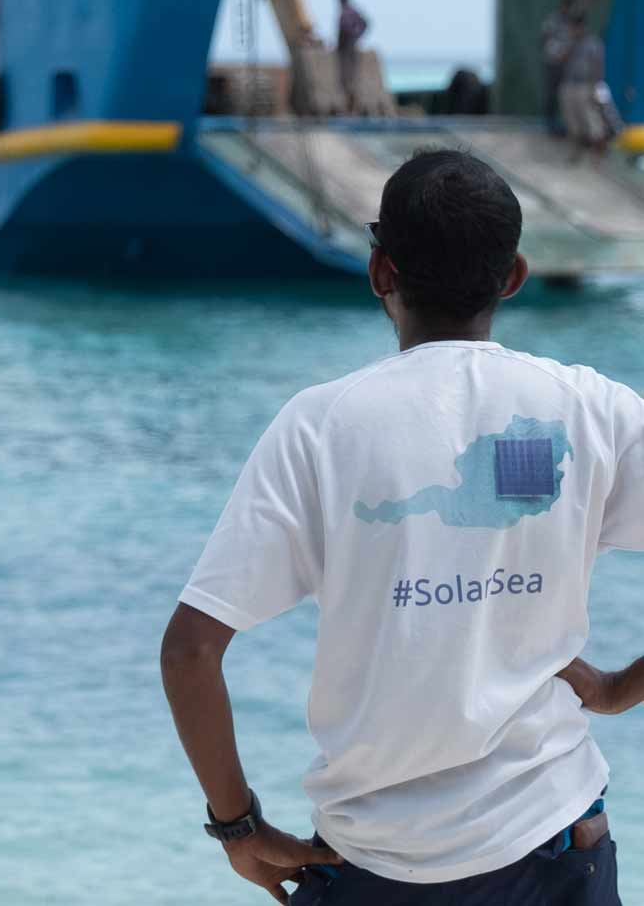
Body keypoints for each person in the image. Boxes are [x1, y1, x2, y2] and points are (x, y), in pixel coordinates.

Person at [162, 149, 639, 905]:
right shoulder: (592, 409)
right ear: (513, 276)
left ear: (381, 271)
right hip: (554, 850)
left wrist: (239, 827)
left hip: (369, 869)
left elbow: (191, 651)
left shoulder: (320, 426)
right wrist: (616, 690)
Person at [560, 12, 611, 162]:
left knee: (592, 121)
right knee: (572, 122)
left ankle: (599, 155)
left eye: (576, 27)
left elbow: (598, 66)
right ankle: (576, 153)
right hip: (569, 85)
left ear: (582, 27)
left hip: (586, 86)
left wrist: (596, 87)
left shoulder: (593, 43)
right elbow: (560, 58)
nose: (574, 30)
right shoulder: (569, 42)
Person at [540, 0, 576, 134]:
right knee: (551, 93)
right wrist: (557, 54)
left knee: (565, 95)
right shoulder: (553, 20)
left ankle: (566, 123)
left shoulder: (571, 23)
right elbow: (545, 39)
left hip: (566, 65)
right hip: (553, 63)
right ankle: (549, 123)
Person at [335, 0, 369, 114]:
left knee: (349, 79)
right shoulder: (346, 12)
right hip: (344, 49)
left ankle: (352, 109)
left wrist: (355, 37)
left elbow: (365, 23)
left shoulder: (349, 12)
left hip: (348, 49)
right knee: (345, 79)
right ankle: (349, 109)